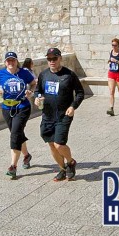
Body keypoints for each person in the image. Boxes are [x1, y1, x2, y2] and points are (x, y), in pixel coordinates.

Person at [36, 47, 85, 181]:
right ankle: (62, 169)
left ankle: (71, 162)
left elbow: (80, 92)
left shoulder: (69, 75)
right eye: (49, 59)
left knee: (59, 144)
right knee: (51, 144)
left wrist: (73, 106)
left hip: (64, 115)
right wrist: (37, 97)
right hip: (47, 115)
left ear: (60, 59)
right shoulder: (44, 75)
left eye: (54, 58)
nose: (51, 61)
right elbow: (38, 91)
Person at [0, 51, 36, 179]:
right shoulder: (0, 74)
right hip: (6, 108)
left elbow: (33, 83)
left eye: (13, 60)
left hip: (22, 106)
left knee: (15, 134)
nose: (11, 63)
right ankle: (26, 156)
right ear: (5, 62)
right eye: (8, 60)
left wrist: (30, 91)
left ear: (17, 61)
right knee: (17, 133)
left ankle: (13, 166)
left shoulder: (23, 73)